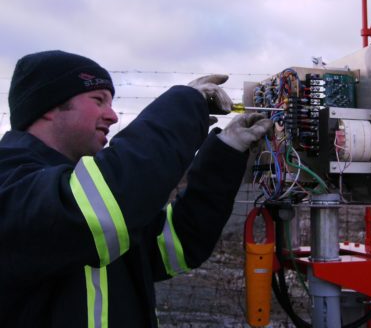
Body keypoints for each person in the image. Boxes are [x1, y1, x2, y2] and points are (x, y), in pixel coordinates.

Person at [0, 50, 272, 327]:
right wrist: (183, 107)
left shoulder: (86, 194)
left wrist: (226, 151)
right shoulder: (9, 179)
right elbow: (97, 209)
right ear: (47, 106)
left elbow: (174, 245)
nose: (113, 116)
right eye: (98, 100)